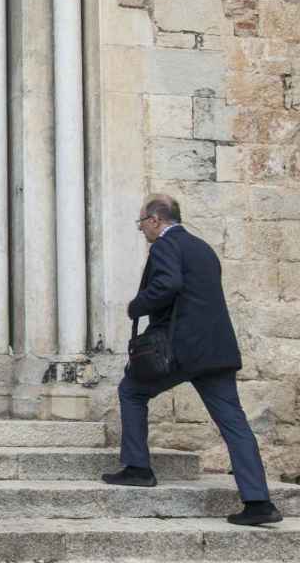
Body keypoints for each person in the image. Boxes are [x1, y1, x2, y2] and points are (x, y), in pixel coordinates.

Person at [102, 194, 282, 526]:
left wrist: (137, 305)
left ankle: (138, 468)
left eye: (141, 222)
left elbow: (169, 285)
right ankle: (259, 503)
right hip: (217, 352)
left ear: (156, 220)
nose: (141, 230)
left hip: (182, 351)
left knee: (132, 391)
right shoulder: (204, 248)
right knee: (235, 425)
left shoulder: (164, 246)